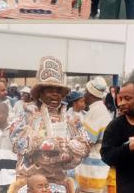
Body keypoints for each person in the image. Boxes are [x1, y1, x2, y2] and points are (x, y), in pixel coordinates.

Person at [9, 57, 90, 193]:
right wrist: (42, 142)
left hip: (58, 181)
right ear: (40, 93)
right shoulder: (27, 115)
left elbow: (86, 146)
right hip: (30, 182)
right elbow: (16, 144)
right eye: (50, 90)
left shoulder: (71, 119)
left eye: (58, 91)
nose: (55, 94)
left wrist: (68, 147)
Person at [100, 81, 134, 193]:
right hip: (128, 188)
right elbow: (106, 156)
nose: (121, 103)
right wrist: (130, 147)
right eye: (121, 98)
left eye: (127, 98)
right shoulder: (115, 126)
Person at [75, 77, 113, 193]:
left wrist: (75, 127)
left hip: (92, 170)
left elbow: (88, 140)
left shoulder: (95, 112)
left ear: (90, 93)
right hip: (97, 168)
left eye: (85, 92)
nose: (84, 95)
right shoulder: (100, 110)